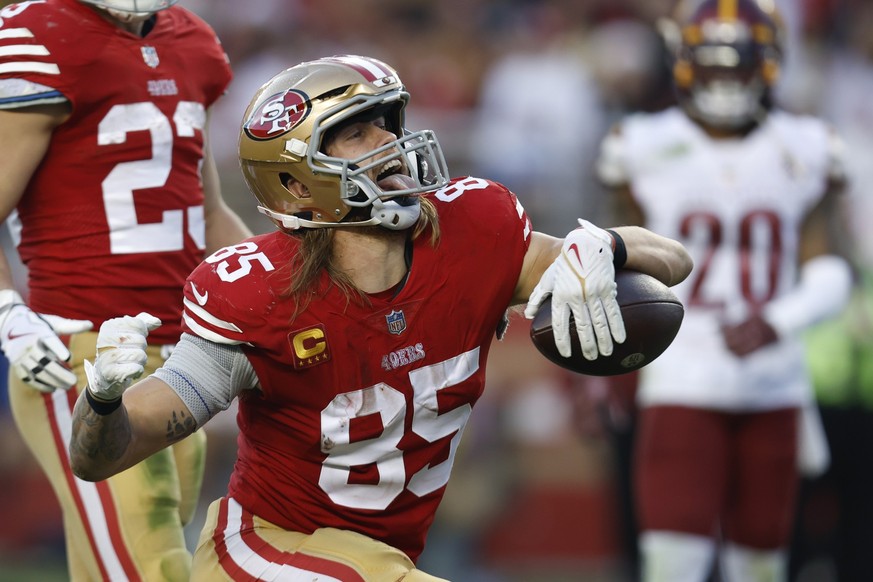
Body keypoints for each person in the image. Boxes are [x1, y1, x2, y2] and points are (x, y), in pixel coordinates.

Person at [66, 54, 692, 581]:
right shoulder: (256, 295)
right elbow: (102, 457)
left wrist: (603, 247)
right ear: (296, 183)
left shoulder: (476, 232)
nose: (389, 144)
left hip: (380, 561)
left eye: (386, 125)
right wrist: (101, 400)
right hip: (263, 556)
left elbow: (674, 262)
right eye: (357, 133)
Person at [595, 1, 852, 581]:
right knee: (672, 564)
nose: (728, 81)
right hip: (680, 371)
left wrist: (778, 319)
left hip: (775, 380)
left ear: (769, 66)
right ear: (685, 64)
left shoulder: (808, 145)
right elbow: (619, 266)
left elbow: (830, 265)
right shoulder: (639, 144)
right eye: (715, 66)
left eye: (740, 67)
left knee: (761, 566)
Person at [0, 0, 251, 580]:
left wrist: (294, 289)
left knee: (115, 564)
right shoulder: (40, 36)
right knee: (153, 566)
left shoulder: (192, 41)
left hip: (186, 357)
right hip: (85, 358)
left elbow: (204, 211)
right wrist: (9, 313)